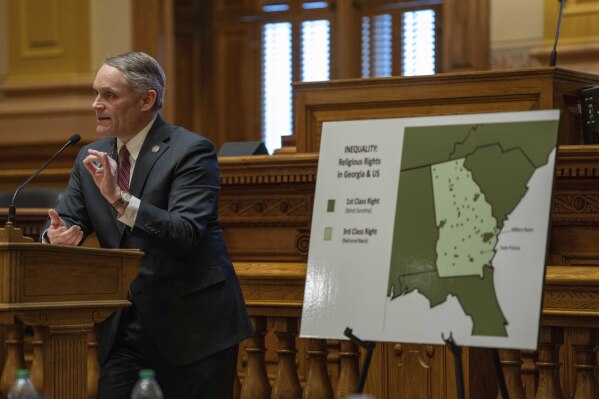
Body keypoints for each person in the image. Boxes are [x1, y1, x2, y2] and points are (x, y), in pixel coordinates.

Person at [41, 51, 253, 398]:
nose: (96, 104)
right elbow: (66, 221)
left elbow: (184, 233)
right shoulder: (89, 157)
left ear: (147, 99)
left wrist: (118, 198)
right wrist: (55, 236)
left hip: (193, 330)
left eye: (109, 95)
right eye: (96, 94)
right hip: (125, 326)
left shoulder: (191, 151)